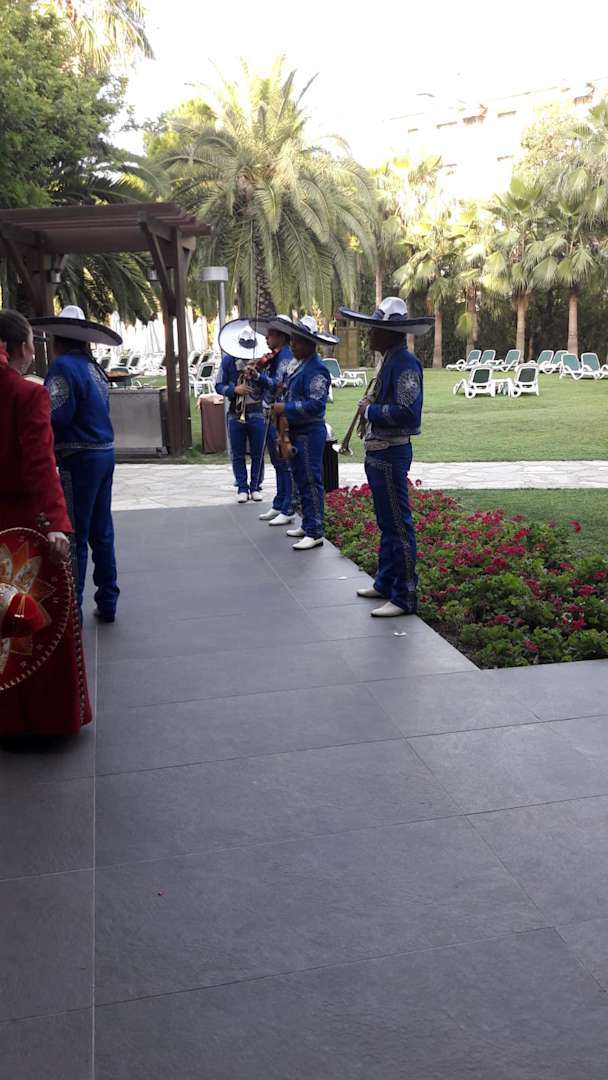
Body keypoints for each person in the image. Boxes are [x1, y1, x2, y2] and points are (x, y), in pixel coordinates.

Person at [0, 309, 92, 736]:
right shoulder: (27, 394)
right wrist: (56, 521)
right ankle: (42, 721)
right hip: (22, 528)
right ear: (21, 347)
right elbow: (40, 464)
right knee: (33, 625)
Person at [337, 297, 434, 616]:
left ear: (390, 333)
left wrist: (370, 410)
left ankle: (404, 596)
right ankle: (385, 582)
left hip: (392, 451)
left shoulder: (405, 363)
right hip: (380, 451)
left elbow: (408, 412)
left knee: (397, 526)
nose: (369, 335)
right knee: (386, 522)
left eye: (375, 329)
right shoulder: (390, 360)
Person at [29, 306, 122, 624]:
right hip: (104, 453)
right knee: (102, 531)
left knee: (75, 535)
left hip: (79, 459)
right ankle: (108, 601)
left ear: (58, 339)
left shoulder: (62, 367)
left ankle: (72, 612)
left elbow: (56, 415)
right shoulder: (92, 367)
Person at [271, 316, 338, 550]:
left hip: (310, 431)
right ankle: (307, 523)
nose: (293, 345)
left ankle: (315, 530)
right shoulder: (298, 365)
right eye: (292, 341)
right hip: (295, 429)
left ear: (310, 344)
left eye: (297, 342)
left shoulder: (317, 369)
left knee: (311, 481)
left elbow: (316, 405)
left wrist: (286, 408)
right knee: (300, 479)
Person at [216, 320, 268, 503]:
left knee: (258, 452)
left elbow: (270, 384)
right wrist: (234, 390)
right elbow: (218, 385)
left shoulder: (262, 361)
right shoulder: (228, 361)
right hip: (235, 412)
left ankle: (255, 487)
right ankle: (242, 487)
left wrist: (257, 375)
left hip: (257, 411)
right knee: (237, 452)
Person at [252, 317, 296, 527]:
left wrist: (259, 377)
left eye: (270, 334)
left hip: (280, 415)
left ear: (281, 336)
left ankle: (288, 506)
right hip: (270, 413)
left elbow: (279, 386)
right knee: (278, 462)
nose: (266, 338)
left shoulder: (285, 357)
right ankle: (279, 503)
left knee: (284, 462)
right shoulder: (272, 358)